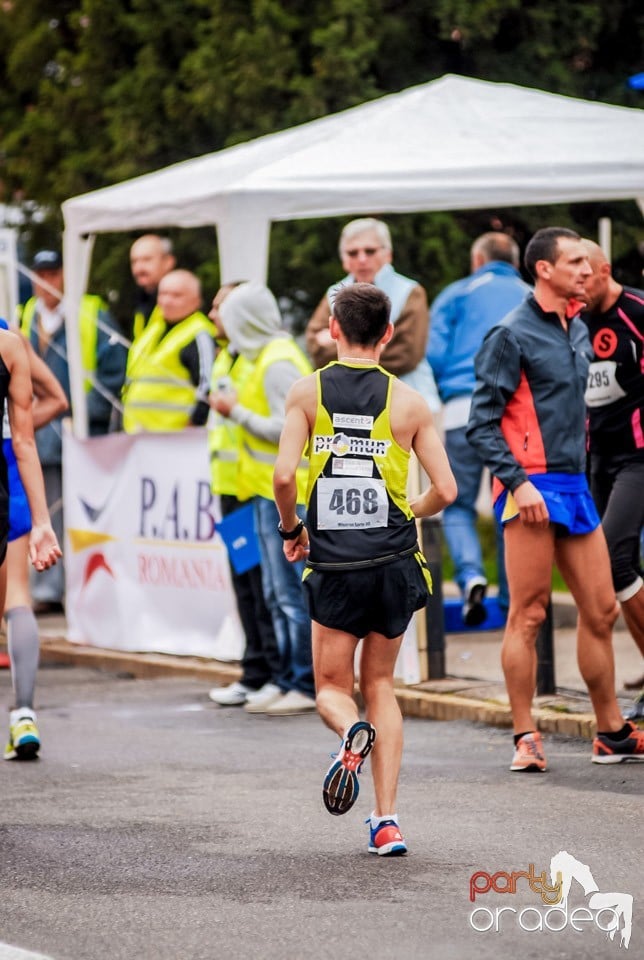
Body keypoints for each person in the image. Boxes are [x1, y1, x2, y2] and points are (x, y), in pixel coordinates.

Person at [274, 283, 457, 855]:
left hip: (335, 563)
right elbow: (446, 490)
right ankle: (386, 822)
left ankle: (350, 735)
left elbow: (283, 478)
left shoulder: (307, 393)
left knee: (332, 687)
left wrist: (292, 529)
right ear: (387, 334)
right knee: (381, 685)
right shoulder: (409, 402)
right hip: (393, 562)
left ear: (333, 329)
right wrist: (410, 510)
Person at [466, 226, 644, 771]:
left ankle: (610, 733)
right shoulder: (510, 333)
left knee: (602, 607)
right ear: (544, 269)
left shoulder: (576, 327)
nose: (587, 270)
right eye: (575, 262)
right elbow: (481, 424)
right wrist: (517, 483)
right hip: (529, 485)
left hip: (574, 483)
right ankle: (525, 736)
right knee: (529, 614)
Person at [210, 281, 315, 715]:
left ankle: (304, 683)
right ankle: (286, 677)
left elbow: (287, 429)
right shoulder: (262, 357)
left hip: (284, 493)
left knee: (289, 592)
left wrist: (236, 412)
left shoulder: (276, 363)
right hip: (262, 488)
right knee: (275, 592)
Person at [427, 232, 530, 626]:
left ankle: (471, 575)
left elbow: (434, 354)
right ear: (516, 260)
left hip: (462, 409)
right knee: (512, 504)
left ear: (477, 258)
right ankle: (512, 601)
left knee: (459, 503)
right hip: (516, 412)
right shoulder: (530, 294)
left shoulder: (456, 294)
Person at [18, 249, 127, 613]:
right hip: (40, 432)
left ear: (64, 276)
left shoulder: (90, 312)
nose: (45, 282)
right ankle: (49, 589)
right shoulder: (26, 315)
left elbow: (113, 374)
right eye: (39, 274)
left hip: (82, 433)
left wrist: (91, 415)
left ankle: (85, 590)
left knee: (87, 511)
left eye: (52, 274)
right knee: (47, 509)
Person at [205, 283, 282, 709]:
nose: (213, 314)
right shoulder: (229, 357)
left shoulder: (263, 359)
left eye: (220, 307)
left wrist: (234, 411)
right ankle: (254, 672)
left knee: (263, 584)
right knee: (246, 584)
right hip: (232, 488)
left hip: (256, 489)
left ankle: (269, 670)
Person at [580, 239, 644, 697]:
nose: (579, 283)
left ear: (604, 269)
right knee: (614, 564)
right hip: (594, 457)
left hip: (639, 454)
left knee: (615, 555)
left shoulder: (637, 310)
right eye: (572, 273)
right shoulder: (571, 320)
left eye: (586, 273)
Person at [1, 319, 68, 759]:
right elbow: (57, 399)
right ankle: (23, 712)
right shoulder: (10, 340)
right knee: (17, 597)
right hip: (8, 471)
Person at [305, 217, 439, 408]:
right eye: (353, 253)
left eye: (370, 251)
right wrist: (376, 345)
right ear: (344, 260)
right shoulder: (332, 292)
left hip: (407, 404)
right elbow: (315, 349)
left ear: (388, 254)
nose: (362, 259)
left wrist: (344, 348)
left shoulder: (410, 291)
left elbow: (406, 355)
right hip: (351, 405)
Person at [122, 269, 214, 433]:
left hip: (175, 440)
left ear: (196, 300)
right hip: (138, 434)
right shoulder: (154, 328)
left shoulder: (198, 333)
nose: (166, 301)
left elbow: (207, 388)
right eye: (163, 294)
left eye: (176, 295)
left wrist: (193, 426)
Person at [129, 234, 176, 341]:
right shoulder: (141, 304)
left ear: (168, 262)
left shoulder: (182, 301)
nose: (139, 268)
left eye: (147, 260)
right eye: (134, 261)